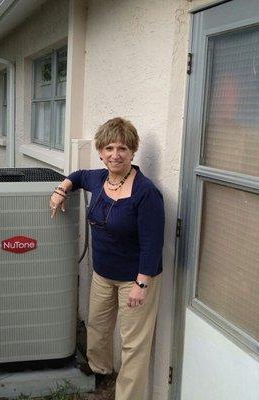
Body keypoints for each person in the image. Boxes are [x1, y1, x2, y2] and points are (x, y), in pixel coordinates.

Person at [49, 117, 164, 400]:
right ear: (100, 151)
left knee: (133, 344)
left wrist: (142, 284)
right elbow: (76, 175)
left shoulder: (146, 193)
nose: (115, 155)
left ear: (133, 152)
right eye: (109, 148)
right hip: (103, 273)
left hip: (135, 278)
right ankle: (100, 370)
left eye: (122, 148)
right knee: (98, 327)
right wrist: (61, 189)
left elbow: (152, 244)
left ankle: (127, 396)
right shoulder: (99, 178)